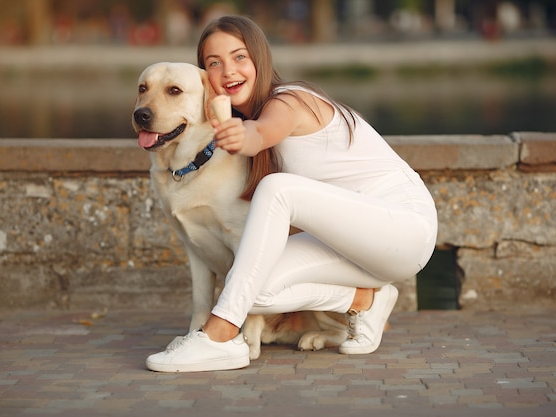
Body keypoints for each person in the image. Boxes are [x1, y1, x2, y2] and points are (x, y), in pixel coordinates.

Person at [146, 15, 438, 373]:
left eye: (240, 57)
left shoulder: (289, 101)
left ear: (260, 60)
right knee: (253, 285)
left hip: (404, 229)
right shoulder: (246, 114)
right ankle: (365, 301)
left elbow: (262, 133)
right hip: (350, 246)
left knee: (276, 189)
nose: (228, 71)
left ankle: (220, 337)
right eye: (214, 63)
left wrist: (243, 137)